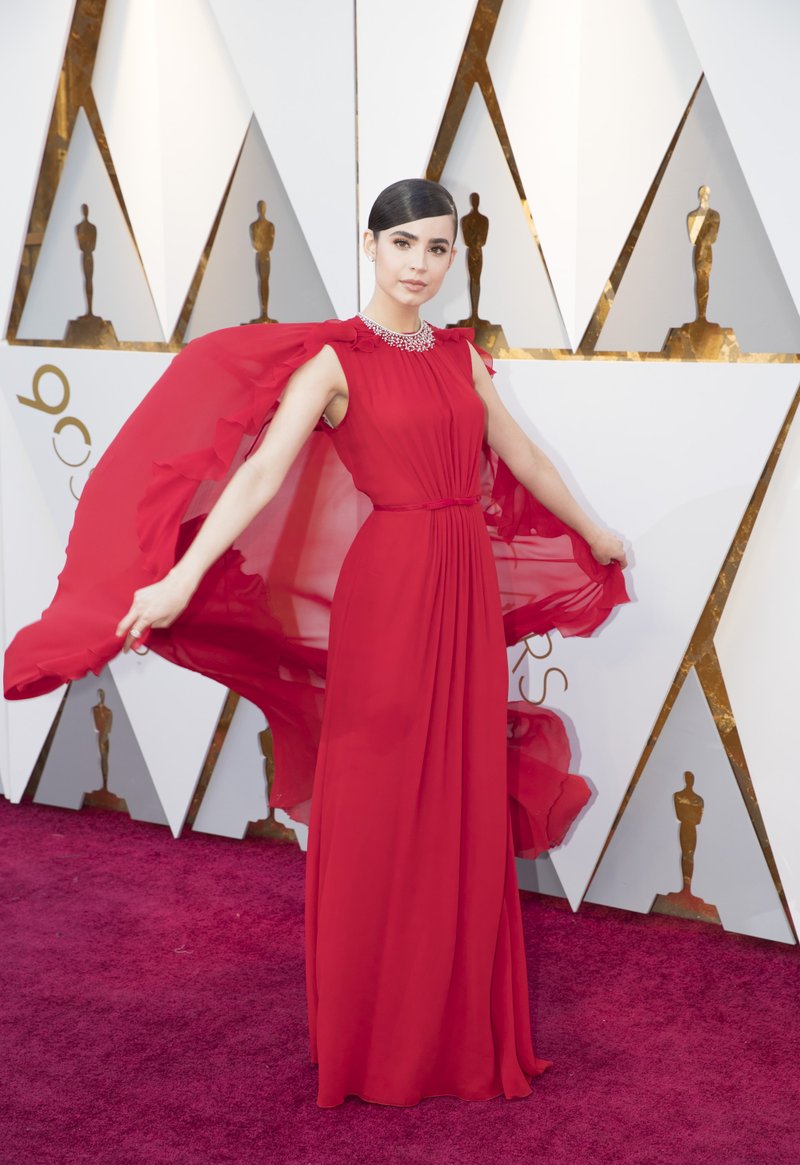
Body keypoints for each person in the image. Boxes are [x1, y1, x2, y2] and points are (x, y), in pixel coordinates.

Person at [4, 178, 629, 1109]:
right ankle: (377, 1033)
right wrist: (180, 579)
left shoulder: (460, 357)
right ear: (371, 247)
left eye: (438, 248)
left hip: (461, 583)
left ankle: (456, 1024)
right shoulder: (335, 363)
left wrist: (595, 529)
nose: (421, 264)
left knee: (458, 787)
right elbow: (260, 475)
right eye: (405, 244)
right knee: (381, 789)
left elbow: (524, 457)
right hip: (393, 590)